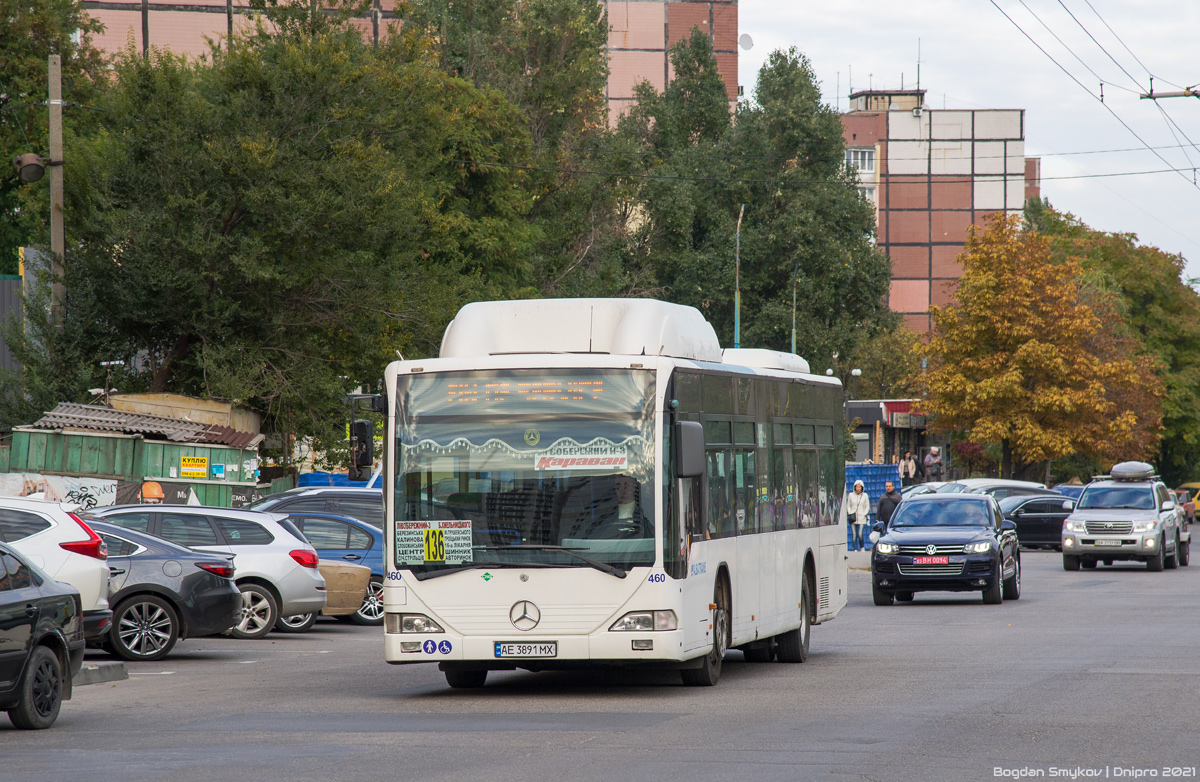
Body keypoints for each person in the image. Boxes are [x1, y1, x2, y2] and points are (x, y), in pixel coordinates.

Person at [845, 479, 871, 551]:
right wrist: (850, 512)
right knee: (854, 535)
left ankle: (862, 547)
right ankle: (855, 548)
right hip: (853, 517)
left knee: (860, 534)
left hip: (861, 517)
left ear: (862, 488)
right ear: (855, 487)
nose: (858, 488)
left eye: (860, 487)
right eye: (857, 487)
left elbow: (867, 506)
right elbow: (848, 505)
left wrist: (864, 513)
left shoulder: (865, 496)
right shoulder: (851, 495)